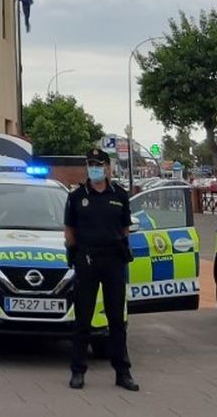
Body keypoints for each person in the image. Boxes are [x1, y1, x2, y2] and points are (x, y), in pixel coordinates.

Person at [64, 147, 139, 392]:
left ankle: (122, 372)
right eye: (90, 163)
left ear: (107, 168)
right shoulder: (76, 197)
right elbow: (70, 231)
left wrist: (116, 244)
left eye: (97, 164)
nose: (93, 168)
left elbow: (125, 228)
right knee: (83, 319)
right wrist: (76, 254)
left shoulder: (120, 194)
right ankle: (77, 371)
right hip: (87, 260)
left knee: (116, 320)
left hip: (113, 261)